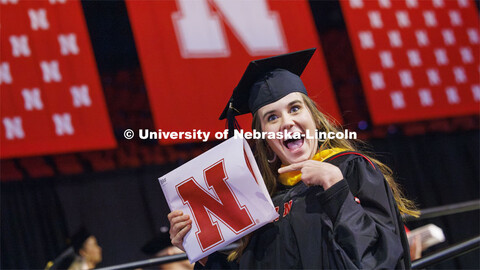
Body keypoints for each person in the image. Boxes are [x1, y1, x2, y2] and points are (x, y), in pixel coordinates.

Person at [168, 48, 418, 269]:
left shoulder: (350, 169)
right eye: (272, 117)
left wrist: (336, 189)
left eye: (295, 108)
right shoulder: (263, 203)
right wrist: (204, 257)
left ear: (316, 118)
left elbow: (383, 258)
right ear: (264, 137)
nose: (287, 122)